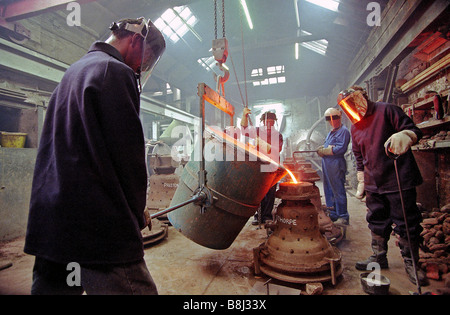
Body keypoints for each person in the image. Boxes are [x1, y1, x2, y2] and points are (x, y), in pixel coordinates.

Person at [24, 17, 166, 295]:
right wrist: (136, 211)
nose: (140, 68)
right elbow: (128, 156)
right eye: (145, 60)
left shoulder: (74, 71)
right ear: (135, 41)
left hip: (54, 220)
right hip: (98, 223)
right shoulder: (114, 71)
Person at [337, 86, 428, 286]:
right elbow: (359, 155)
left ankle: (412, 262)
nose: (350, 109)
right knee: (376, 220)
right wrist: (362, 178)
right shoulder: (356, 126)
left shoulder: (387, 110)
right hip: (374, 182)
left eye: (352, 103)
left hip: (398, 179)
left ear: (361, 98)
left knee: (406, 222)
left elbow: (415, 130)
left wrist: (406, 135)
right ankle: (379, 256)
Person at [240, 109, 283, 225]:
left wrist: (263, 144)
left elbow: (276, 150)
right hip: (259, 166)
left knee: (270, 192)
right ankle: (257, 216)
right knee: (258, 193)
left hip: (271, 167)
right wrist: (244, 116)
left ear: (274, 122)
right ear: (263, 122)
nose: (269, 124)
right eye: (266, 122)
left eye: (271, 122)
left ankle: (267, 216)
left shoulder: (278, 135)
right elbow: (244, 130)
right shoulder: (258, 131)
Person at [317, 107, 351, 225]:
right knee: (329, 189)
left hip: (336, 164)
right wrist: (323, 148)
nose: (332, 121)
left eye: (335, 118)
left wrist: (326, 151)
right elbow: (329, 145)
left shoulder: (344, 131)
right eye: (329, 119)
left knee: (338, 189)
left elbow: (341, 148)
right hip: (327, 164)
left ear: (340, 117)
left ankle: (343, 216)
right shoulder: (331, 132)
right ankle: (334, 213)